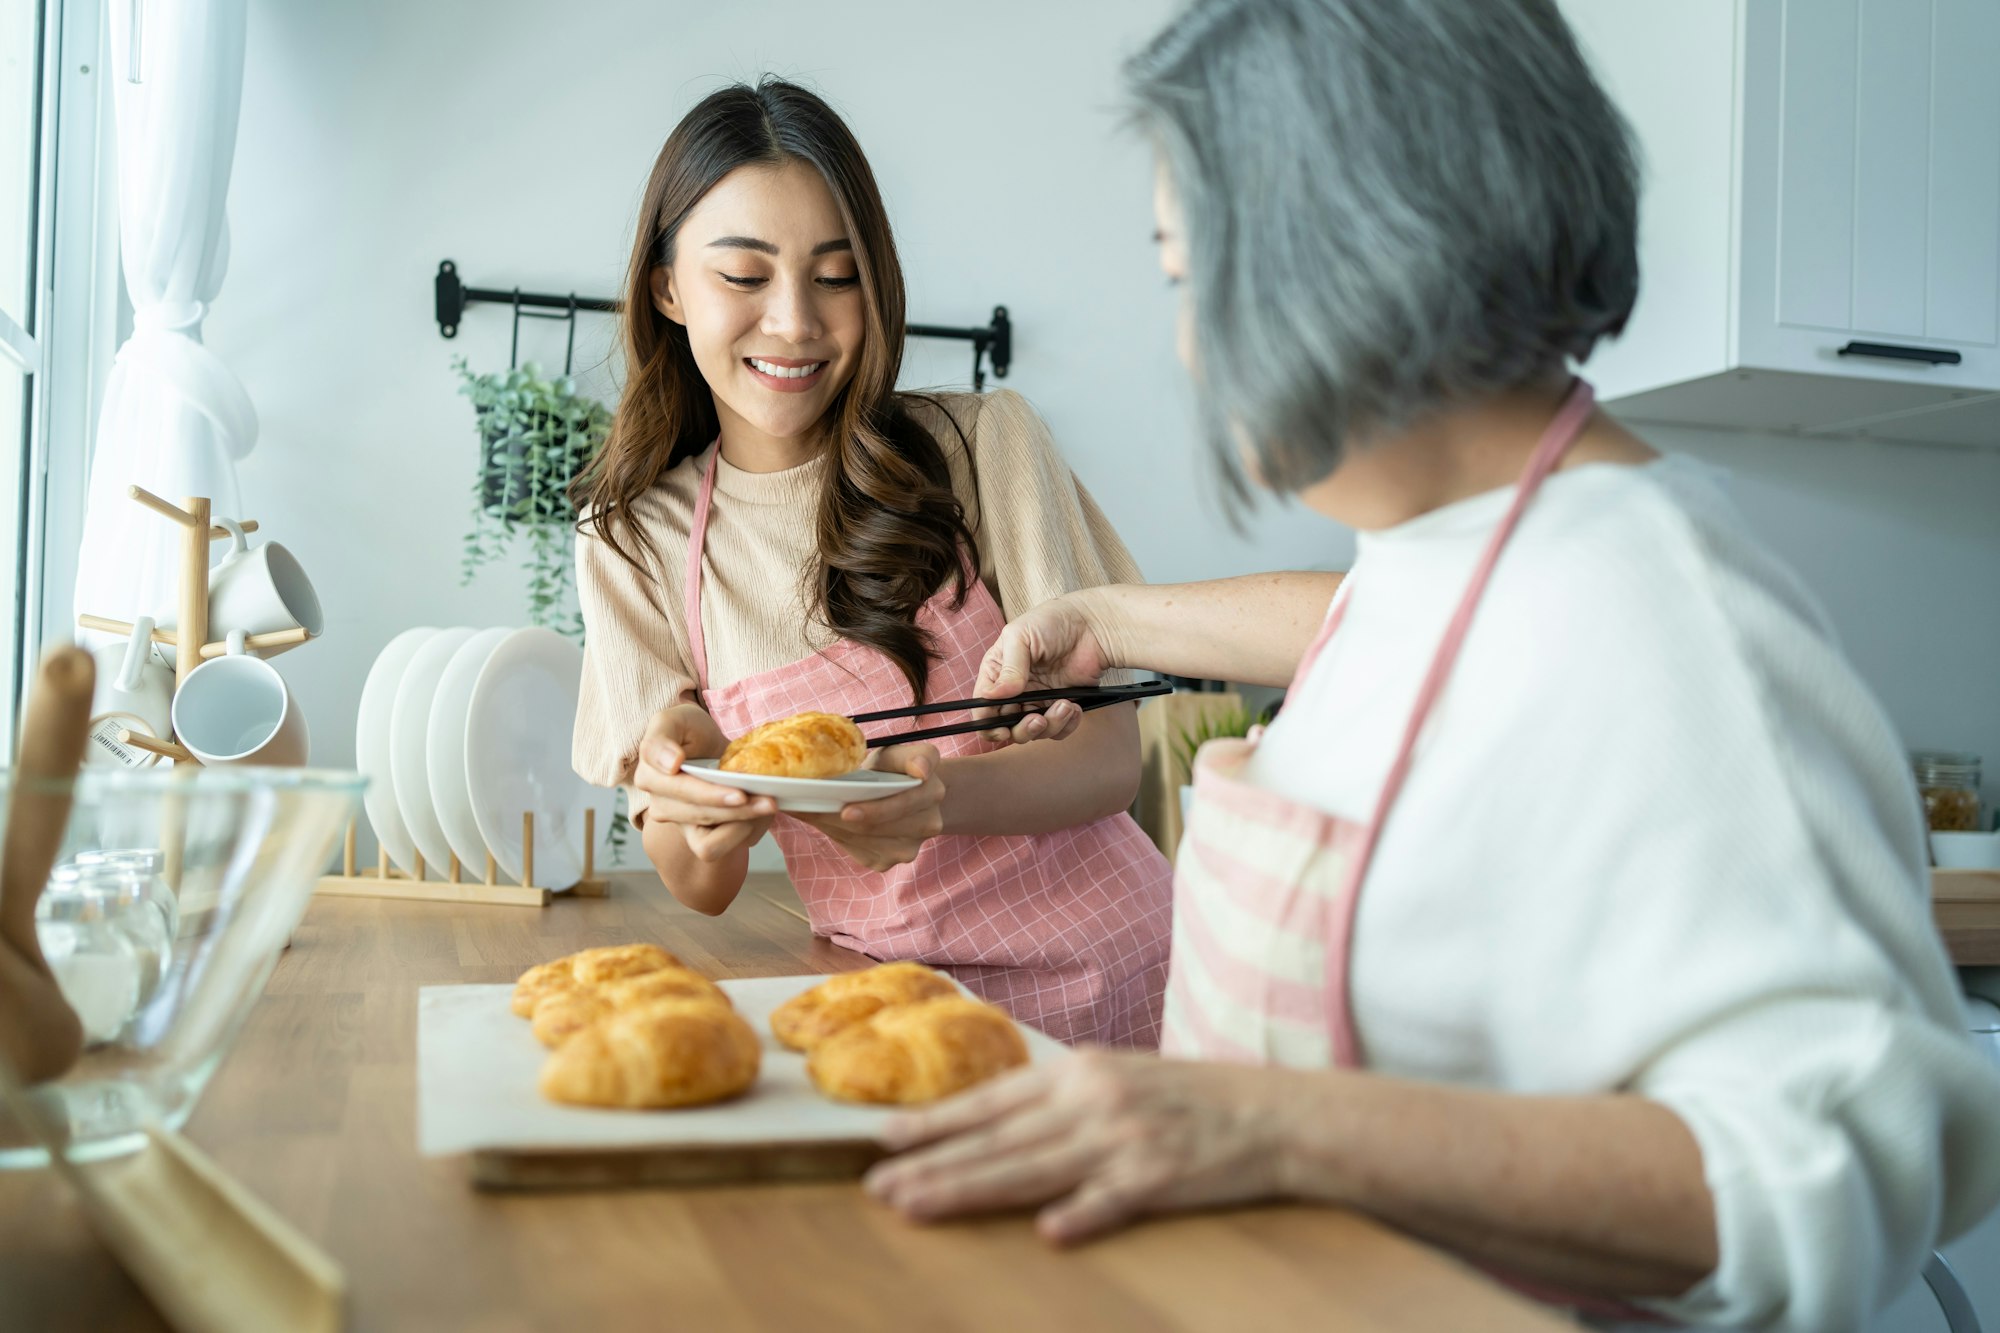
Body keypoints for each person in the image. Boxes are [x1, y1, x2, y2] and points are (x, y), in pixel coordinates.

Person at [860, 2, 2000, 1327]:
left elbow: (1840, 1170)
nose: (1187, 342)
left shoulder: (1667, 622)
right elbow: (1366, 625)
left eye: (1185, 276)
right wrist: (1105, 613)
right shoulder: (1451, 553)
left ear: (1342, 252)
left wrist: (1279, 1128)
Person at [570, 80, 1171, 1047]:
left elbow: (1109, 758)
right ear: (668, 287)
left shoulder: (983, 445)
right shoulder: (633, 540)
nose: (796, 321)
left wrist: (933, 797)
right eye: (745, 276)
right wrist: (700, 789)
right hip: (895, 1016)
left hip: (1126, 982)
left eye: (836, 275)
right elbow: (700, 884)